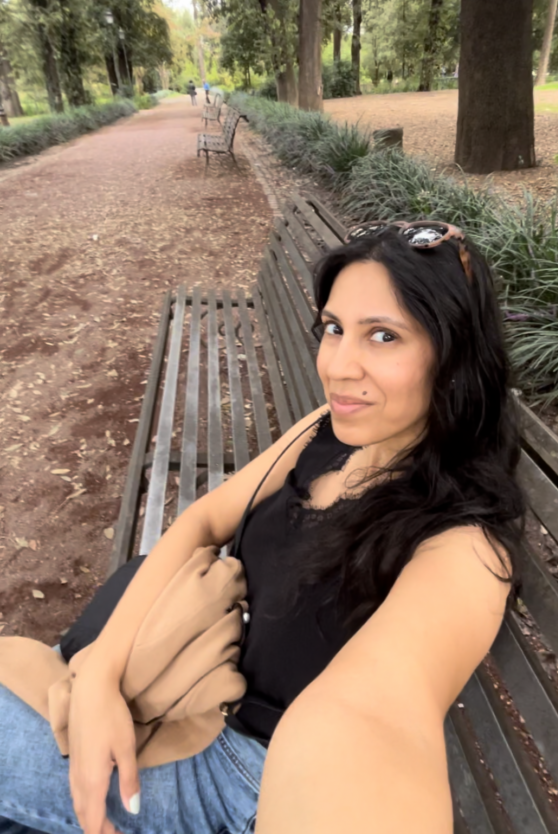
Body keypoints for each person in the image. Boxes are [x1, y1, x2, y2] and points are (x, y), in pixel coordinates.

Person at [0, 220, 525, 834]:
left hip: (237, 780)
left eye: (384, 336)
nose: (338, 365)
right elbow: (202, 520)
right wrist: (100, 678)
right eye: (333, 329)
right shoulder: (331, 429)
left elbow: (370, 716)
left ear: (454, 356)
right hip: (188, 685)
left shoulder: (464, 547)